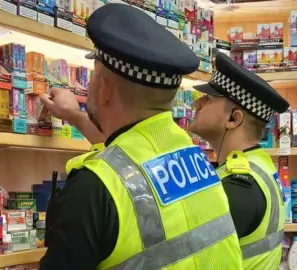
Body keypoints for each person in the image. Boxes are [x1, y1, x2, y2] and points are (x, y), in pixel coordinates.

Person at [39, 4, 242, 269]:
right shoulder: (197, 161)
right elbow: (131, 161)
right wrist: (76, 117)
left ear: (105, 88)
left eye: (93, 76)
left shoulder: (94, 189)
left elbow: (122, 173)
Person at [190, 52, 289, 269]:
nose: (197, 104)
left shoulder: (239, 188)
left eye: (208, 99)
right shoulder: (258, 165)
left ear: (234, 119)